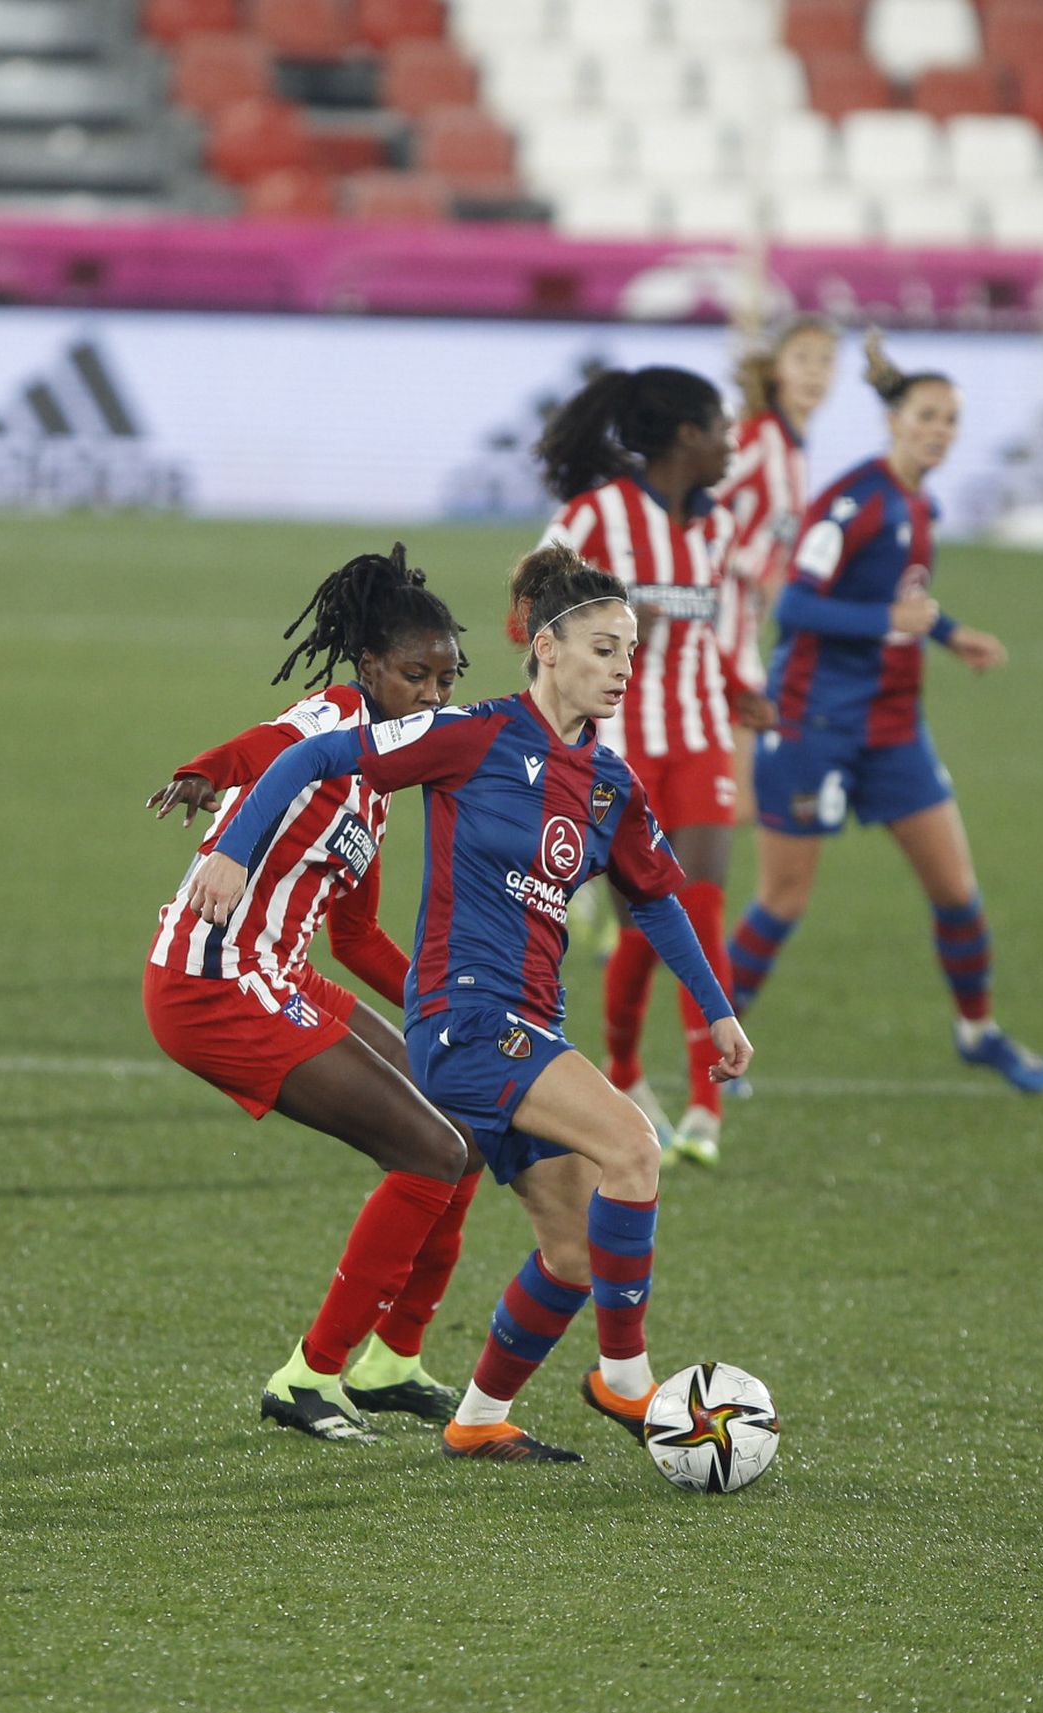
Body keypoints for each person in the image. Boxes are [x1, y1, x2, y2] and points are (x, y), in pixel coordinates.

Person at [185, 548, 754, 1463]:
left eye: (631, 653)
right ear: (548, 645)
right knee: (635, 1148)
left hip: (532, 1026)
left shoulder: (611, 787)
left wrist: (717, 1012)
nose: (620, 669)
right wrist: (235, 851)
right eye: (604, 649)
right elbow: (321, 756)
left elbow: (657, 901)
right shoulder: (476, 735)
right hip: (467, 1021)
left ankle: (479, 1416)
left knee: (573, 1253)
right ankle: (627, 1376)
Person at [144, 545, 485, 1445]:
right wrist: (206, 768)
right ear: (370, 667)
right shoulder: (329, 722)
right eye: (415, 675)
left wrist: (441, 999)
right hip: (212, 983)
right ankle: (309, 1375)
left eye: (446, 679)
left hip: (280, 973)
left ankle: (392, 1361)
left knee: (467, 1126)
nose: (433, 696)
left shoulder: (380, 771)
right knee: (426, 1150)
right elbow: (266, 747)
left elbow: (355, 936)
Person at [726, 334, 1043, 1093]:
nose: (940, 430)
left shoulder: (919, 503)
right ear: (896, 421)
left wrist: (948, 633)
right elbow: (799, 605)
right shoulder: (854, 501)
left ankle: (978, 1030)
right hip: (812, 723)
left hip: (894, 730)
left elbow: (901, 605)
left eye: (951, 420)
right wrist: (893, 622)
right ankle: (720, 1045)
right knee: (783, 898)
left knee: (957, 891)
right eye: (929, 415)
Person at [535, 366, 775, 1170]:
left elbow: (712, 634)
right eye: (721, 429)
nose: (732, 445)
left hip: (702, 731)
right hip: (621, 744)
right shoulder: (594, 517)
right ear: (685, 436)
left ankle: (705, 1098)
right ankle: (630, 1069)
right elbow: (525, 617)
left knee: (698, 900)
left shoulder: (715, 527)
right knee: (655, 915)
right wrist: (601, 634)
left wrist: (743, 690)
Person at [716, 314, 840, 826]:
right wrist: (752, 568)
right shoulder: (757, 439)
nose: (815, 372)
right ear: (776, 369)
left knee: (722, 805)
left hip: (741, 632)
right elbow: (692, 505)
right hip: (711, 632)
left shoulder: (793, 448)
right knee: (729, 803)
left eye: (826, 361)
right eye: (802, 358)